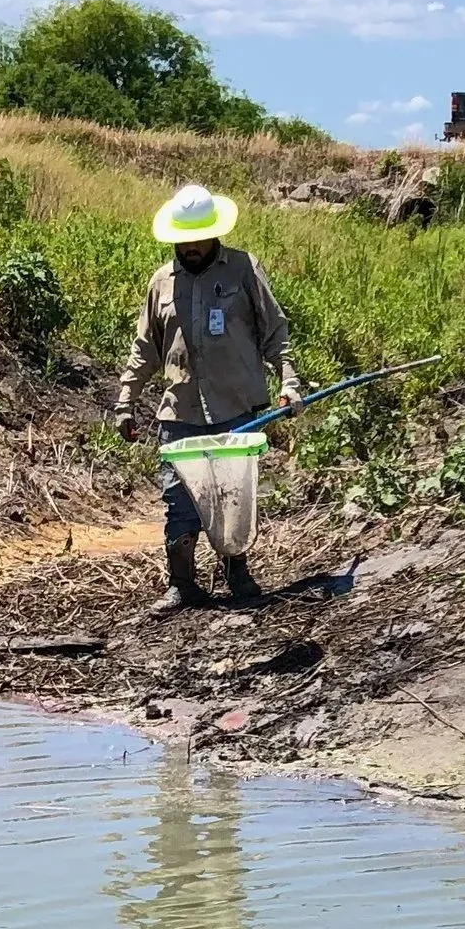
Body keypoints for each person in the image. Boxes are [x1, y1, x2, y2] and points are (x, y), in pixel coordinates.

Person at [114, 183, 301, 611]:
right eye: (185, 238)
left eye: (200, 237)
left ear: (214, 232)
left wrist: (289, 381)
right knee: (179, 502)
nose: (192, 246)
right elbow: (145, 347)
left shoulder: (242, 271)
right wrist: (126, 400)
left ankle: (237, 573)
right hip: (179, 414)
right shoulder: (162, 282)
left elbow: (274, 331)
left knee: (231, 499)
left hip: (234, 410)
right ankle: (182, 583)